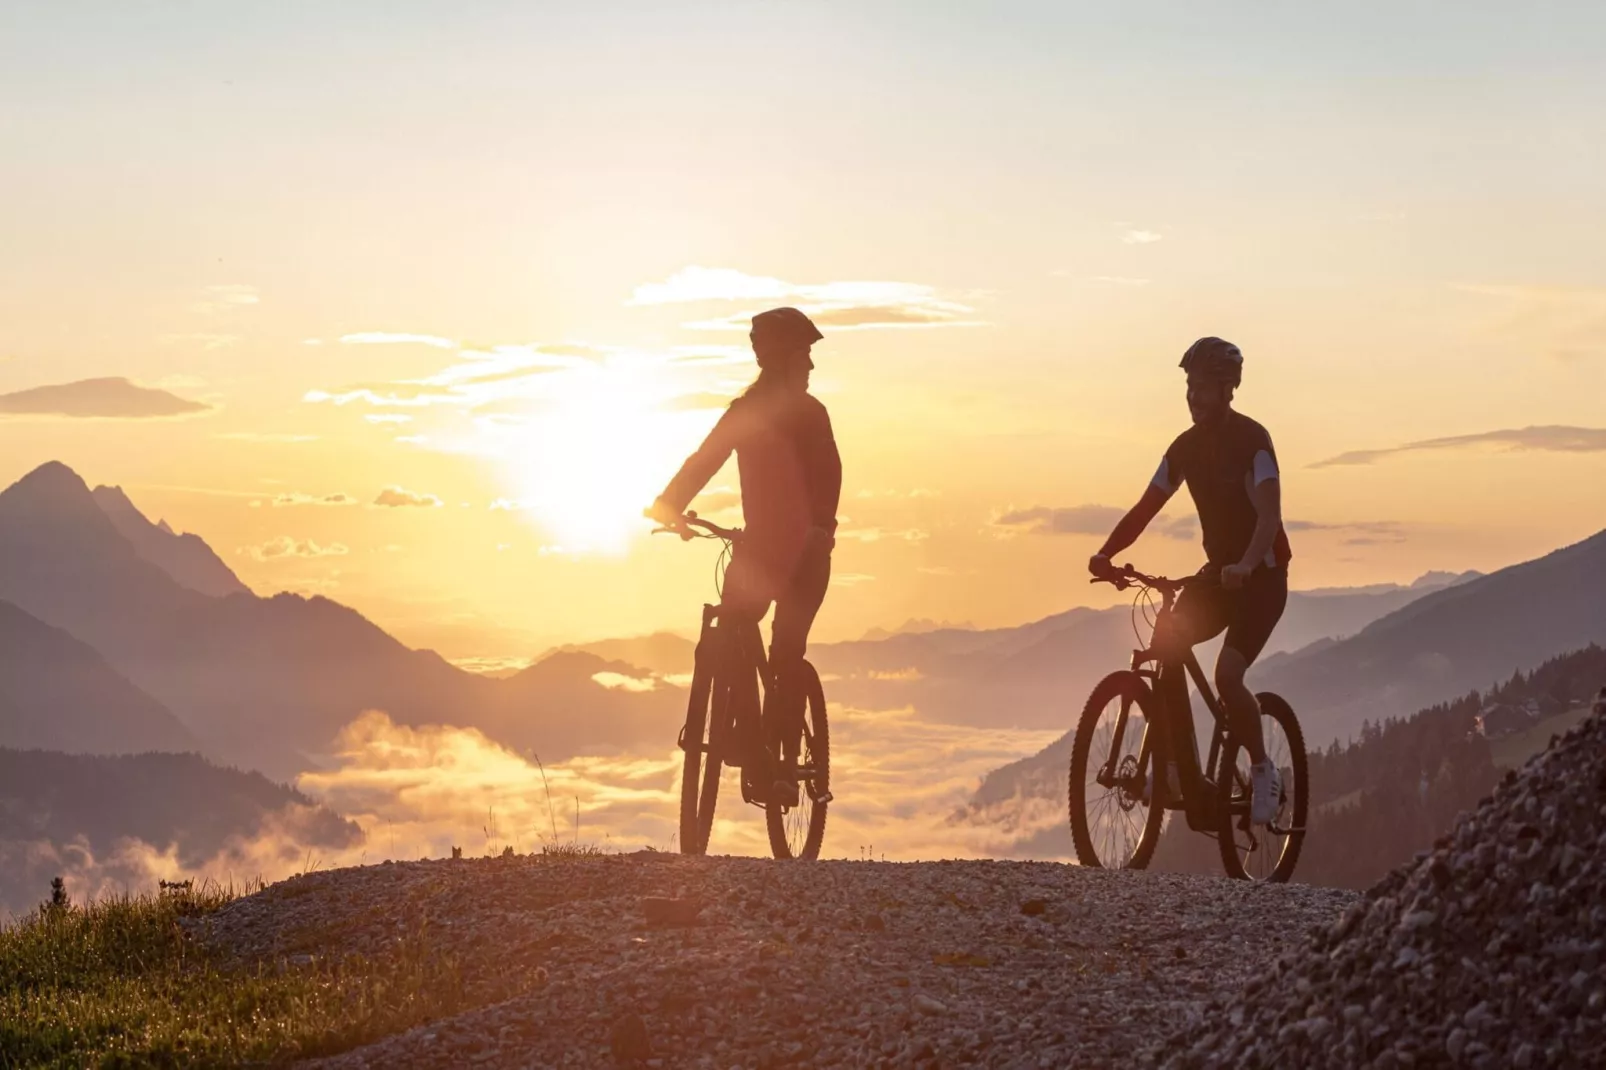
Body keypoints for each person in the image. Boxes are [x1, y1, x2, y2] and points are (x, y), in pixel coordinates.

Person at [1088, 336, 1291, 825]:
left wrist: (1246, 563)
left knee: (1226, 676)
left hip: (1260, 581)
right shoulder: (1185, 448)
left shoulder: (1253, 441)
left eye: (1201, 387)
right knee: (1167, 643)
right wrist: (1106, 553)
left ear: (1227, 389)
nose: (1192, 396)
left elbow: (1269, 515)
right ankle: (1177, 767)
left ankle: (1263, 769)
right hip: (1219, 577)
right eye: (1188, 386)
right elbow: (1145, 508)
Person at [648, 306, 841, 807]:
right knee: (730, 628)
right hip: (766, 553)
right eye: (804, 355)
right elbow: (705, 460)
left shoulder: (801, 415)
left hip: (801, 554)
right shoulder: (754, 413)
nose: (811, 367)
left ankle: (779, 761)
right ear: (781, 359)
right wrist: (670, 502)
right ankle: (744, 739)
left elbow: (828, 477)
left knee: (785, 651)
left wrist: (820, 527)